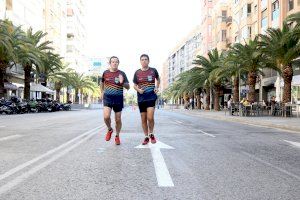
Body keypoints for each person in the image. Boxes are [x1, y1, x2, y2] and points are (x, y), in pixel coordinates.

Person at [101, 56, 129, 145]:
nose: (114, 63)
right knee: (106, 117)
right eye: (113, 62)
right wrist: (101, 92)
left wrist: (122, 82)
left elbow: (128, 87)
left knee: (117, 119)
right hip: (107, 98)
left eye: (116, 62)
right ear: (110, 63)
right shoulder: (105, 73)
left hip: (118, 99)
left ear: (118, 63)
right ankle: (110, 129)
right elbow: (101, 83)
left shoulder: (122, 73)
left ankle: (117, 136)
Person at [133, 54, 160, 145]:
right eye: (142, 59)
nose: (144, 61)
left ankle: (151, 134)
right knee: (143, 119)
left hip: (151, 97)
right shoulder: (137, 72)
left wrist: (157, 87)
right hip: (141, 98)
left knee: (150, 117)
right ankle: (146, 136)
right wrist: (138, 90)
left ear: (148, 61)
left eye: (145, 59)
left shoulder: (153, 70)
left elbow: (158, 79)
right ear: (140, 61)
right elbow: (134, 85)